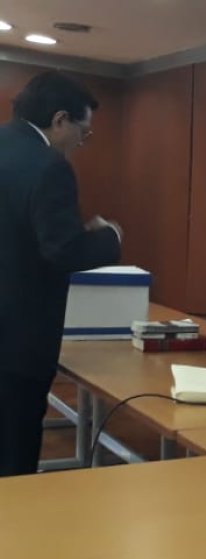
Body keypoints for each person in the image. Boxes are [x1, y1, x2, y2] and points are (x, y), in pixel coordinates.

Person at [0, 72, 122, 477]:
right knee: (14, 457)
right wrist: (109, 237)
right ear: (60, 120)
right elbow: (63, 251)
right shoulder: (49, 166)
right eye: (82, 133)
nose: (79, 144)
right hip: (17, 344)